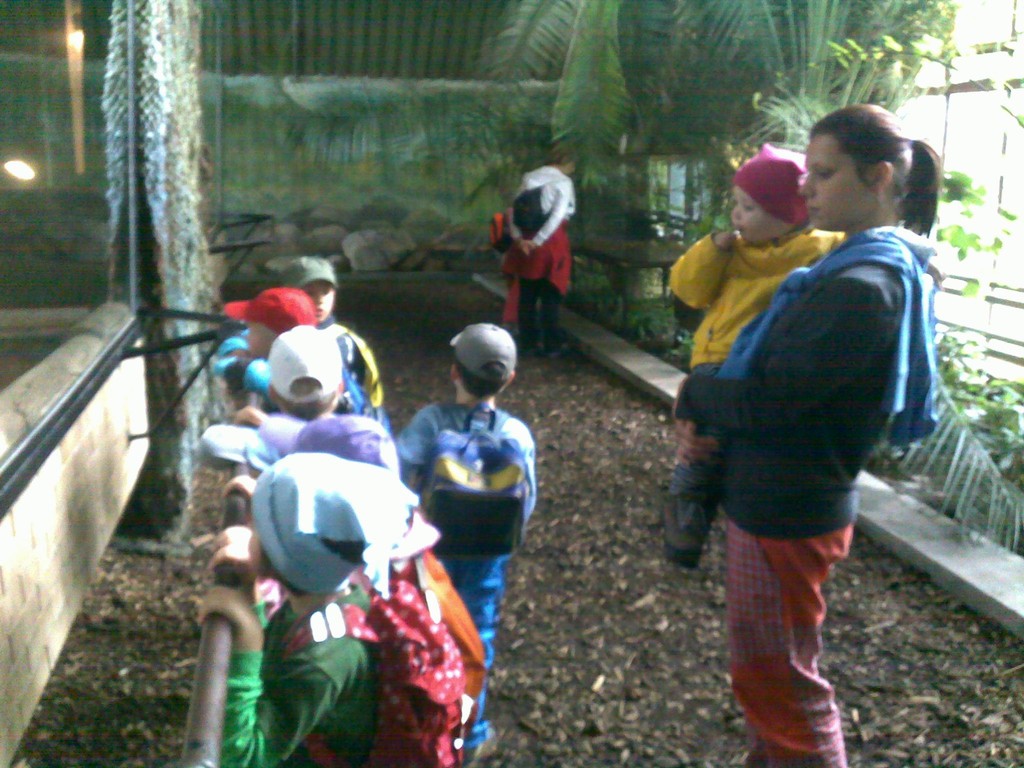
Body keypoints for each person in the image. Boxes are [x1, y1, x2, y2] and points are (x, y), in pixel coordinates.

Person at [673, 104, 941, 767]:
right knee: (770, 676)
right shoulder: (847, 267)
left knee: (782, 686)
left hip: (787, 510)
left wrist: (695, 391)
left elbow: (771, 400)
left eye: (823, 174)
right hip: (782, 499)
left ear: (879, 178)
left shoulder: (861, 288)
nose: (806, 188)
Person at [664, 144, 844, 567]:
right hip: (715, 366)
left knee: (702, 453)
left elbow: (878, 242)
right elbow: (688, 289)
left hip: (741, 367)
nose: (736, 216)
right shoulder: (733, 251)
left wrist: (922, 261)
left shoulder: (823, 249)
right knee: (700, 448)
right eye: (737, 204)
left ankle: (687, 532)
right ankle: (688, 531)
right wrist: (713, 249)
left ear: (788, 214)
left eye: (749, 208)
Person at [198, 453, 418, 768]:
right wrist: (252, 595)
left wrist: (247, 639)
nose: (249, 533)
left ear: (281, 558)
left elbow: (245, 758)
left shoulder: (322, 663)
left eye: (257, 529)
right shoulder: (333, 593)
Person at [396, 323, 537, 763]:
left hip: (432, 552)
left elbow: (397, 472)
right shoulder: (516, 433)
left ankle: (421, 721)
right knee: (477, 635)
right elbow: (526, 500)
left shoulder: (432, 421)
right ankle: (469, 735)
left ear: (454, 372)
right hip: (488, 556)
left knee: (425, 628)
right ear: (509, 379)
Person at [199, 325, 344, 473]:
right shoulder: (354, 436)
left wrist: (270, 427)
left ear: (272, 392)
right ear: (340, 388)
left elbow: (212, 442)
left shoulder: (280, 443)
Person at [281, 256, 386, 421]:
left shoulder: (343, 342)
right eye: (309, 293)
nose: (320, 300)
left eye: (326, 292)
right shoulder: (276, 334)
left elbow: (366, 400)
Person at [503, 149, 576, 357]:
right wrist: (538, 241)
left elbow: (513, 210)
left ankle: (528, 343)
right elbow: (557, 216)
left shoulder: (529, 177)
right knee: (551, 293)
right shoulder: (563, 182)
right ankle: (552, 345)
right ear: (566, 162)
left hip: (525, 242)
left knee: (527, 294)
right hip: (551, 243)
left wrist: (520, 239)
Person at [215, 287, 319, 425]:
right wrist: (235, 345)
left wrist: (252, 370)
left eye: (251, 329)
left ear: (273, 340)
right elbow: (243, 338)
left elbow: (223, 366)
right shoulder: (316, 355)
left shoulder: (257, 373)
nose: (247, 336)